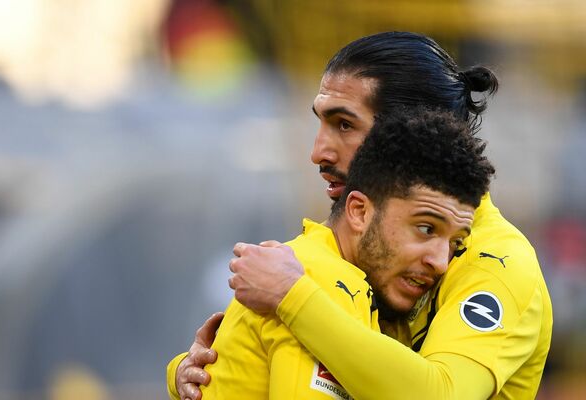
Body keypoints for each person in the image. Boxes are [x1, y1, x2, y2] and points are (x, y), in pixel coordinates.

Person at [168, 32, 553, 400]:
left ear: (412, 134)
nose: (318, 152)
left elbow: (439, 393)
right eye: (322, 121)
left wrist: (295, 299)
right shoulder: (345, 254)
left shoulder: (497, 266)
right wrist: (198, 372)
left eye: (345, 125)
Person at [186, 106, 494, 399]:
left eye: (455, 243)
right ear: (359, 211)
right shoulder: (319, 284)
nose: (440, 262)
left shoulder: (316, 269)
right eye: (425, 228)